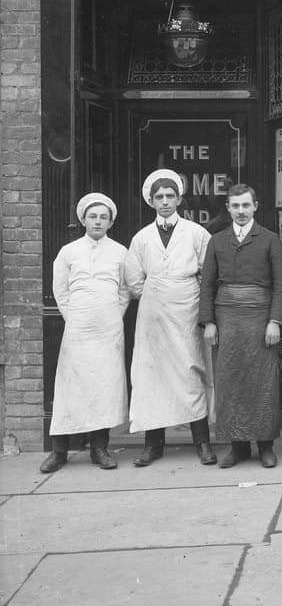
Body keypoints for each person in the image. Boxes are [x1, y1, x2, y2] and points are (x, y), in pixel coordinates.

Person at [125, 169, 215, 466]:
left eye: (170, 196)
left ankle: (201, 441)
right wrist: (158, 291)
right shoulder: (142, 238)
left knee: (190, 370)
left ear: (179, 198)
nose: (165, 202)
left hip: (186, 308)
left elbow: (208, 273)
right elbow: (134, 281)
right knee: (152, 375)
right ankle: (154, 444)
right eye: (159, 197)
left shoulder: (196, 233)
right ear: (151, 201)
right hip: (153, 313)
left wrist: (187, 296)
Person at [199, 184, 282, 469]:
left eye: (245, 205)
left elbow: (280, 284)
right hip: (227, 319)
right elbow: (207, 286)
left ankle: (265, 446)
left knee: (262, 383)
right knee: (230, 380)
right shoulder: (217, 241)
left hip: (260, 319)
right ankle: (237, 447)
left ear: (255, 206)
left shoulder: (270, 240)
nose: (240, 211)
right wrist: (209, 322)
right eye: (235, 206)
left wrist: (275, 320)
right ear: (227, 208)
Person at [40, 193, 130, 473]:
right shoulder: (69, 252)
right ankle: (59, 451)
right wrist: (75, 317)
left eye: (104, 217)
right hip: (78, 329)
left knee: (103, 387)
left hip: (108, 329)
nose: (98, 221)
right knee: (70, 387)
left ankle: (99, 448)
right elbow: (61, 290)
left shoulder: (119, 252)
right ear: (83, 219)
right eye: (93, 216)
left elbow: (125, 291)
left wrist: (112, 316)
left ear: (110, 221)